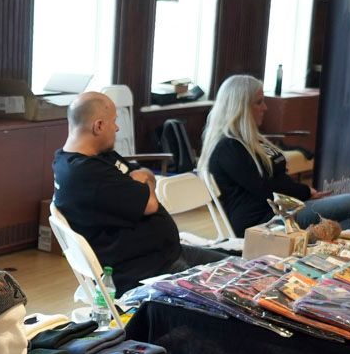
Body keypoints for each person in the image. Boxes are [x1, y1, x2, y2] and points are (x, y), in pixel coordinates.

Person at [51, 90, 227, 292]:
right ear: (98, 126)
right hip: (148, 271)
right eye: (114, 121)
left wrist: (143, 181)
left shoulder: (92, 157)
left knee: (245, 268)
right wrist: (144, 181)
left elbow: (142, 174)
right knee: (239, 290)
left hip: (168, 253)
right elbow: (149, 203)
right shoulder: (85, 173)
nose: (117, 128)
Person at [199, 74, 350, 233]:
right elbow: (266, 189)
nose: (265, 108)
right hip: (264, 222)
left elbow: (275, 181)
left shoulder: (249, 140)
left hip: (284, 210)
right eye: (259, 102)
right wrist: (304, 191)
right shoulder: (228, 148)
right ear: (240, 107)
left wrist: (304, 192)